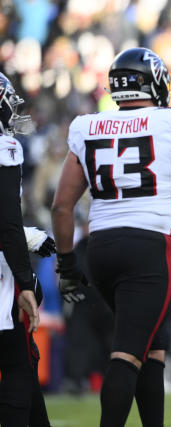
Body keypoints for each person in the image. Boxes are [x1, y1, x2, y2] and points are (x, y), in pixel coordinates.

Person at [51, 47, 171, 427]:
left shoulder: (87, 125)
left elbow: (62, 207)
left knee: (151, 346)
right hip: (148, 247)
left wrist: (66, 264)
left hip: (100, 247)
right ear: (156, 83)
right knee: (127, 352)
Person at [0, 71, 53, 427]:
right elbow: (5, 219)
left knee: (22, 355)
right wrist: (25, 278)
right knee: (16, 360)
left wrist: (28, 234)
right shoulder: (6, 147)